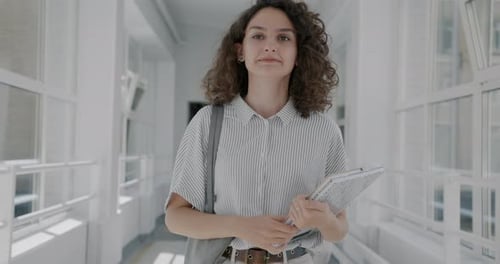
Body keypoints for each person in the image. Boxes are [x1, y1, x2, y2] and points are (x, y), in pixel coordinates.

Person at [165, 0, 347, 263]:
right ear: (240, 51)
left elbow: (340, 229)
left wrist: (325, 219)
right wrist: (240, 226)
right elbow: (175, 217)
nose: (270, 45)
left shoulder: (325, 129)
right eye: (258, 35)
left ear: (299, 55)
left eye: (284, 37)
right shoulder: (207, 122)